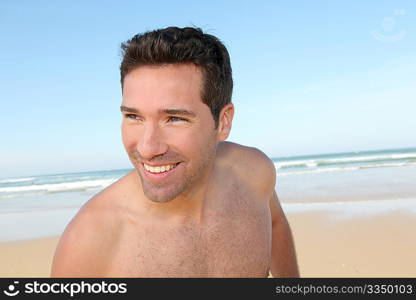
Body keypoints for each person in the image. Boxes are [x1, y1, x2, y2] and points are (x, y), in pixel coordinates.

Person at [51, 26, 299, 277]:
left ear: (223, 122)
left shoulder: (253, 172)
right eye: (134, 116)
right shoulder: (89, 241)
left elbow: (275, 223)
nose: (148, 149)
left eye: (174, 118)